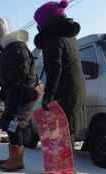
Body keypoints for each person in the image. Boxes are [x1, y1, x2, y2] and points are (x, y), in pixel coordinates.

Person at [0, 16, 39, 172]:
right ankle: (14, 158)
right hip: (15, 95)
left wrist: (7, 89)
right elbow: (2, 76)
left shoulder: (17, 49)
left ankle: (17, 161)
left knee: (15, 126)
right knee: (11, 126)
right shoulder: (7, 49)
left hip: (22, 96)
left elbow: (21, 75)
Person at [34, 0, 86, 140]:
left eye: (38, 23)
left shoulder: (53, 40)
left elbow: (54, 72)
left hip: (63, 96)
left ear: (46, 23)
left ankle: (62, 163)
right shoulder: (69, 37)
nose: (37, 27)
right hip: (74, 93)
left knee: (60, 142)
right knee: (67, 138)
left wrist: (48, 99)